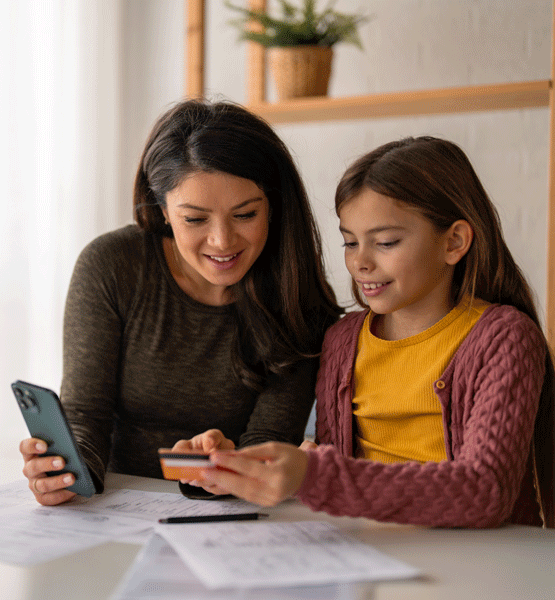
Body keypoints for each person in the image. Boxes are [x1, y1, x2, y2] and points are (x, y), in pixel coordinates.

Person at [200, 136, 555, 529]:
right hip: (369, 549)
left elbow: (485, 490)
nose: (360, 262)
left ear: (454, 242)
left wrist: (314, 474)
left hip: (480, 557)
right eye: (350, 242)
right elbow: (338, 478)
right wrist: (241, 468)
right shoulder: (342, 342)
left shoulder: (504, 339)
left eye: (385, 242)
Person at [19, 99, 342, 506]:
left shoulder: (300, 298)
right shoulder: (112, 266)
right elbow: (86, 415)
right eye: (195, 219)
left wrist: (232, 462)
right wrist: (63, 473)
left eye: (245, 215)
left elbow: (269, 445)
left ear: (274, 207)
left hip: (233, 517)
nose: (223, 241)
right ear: (163, 209)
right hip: (114, 505)